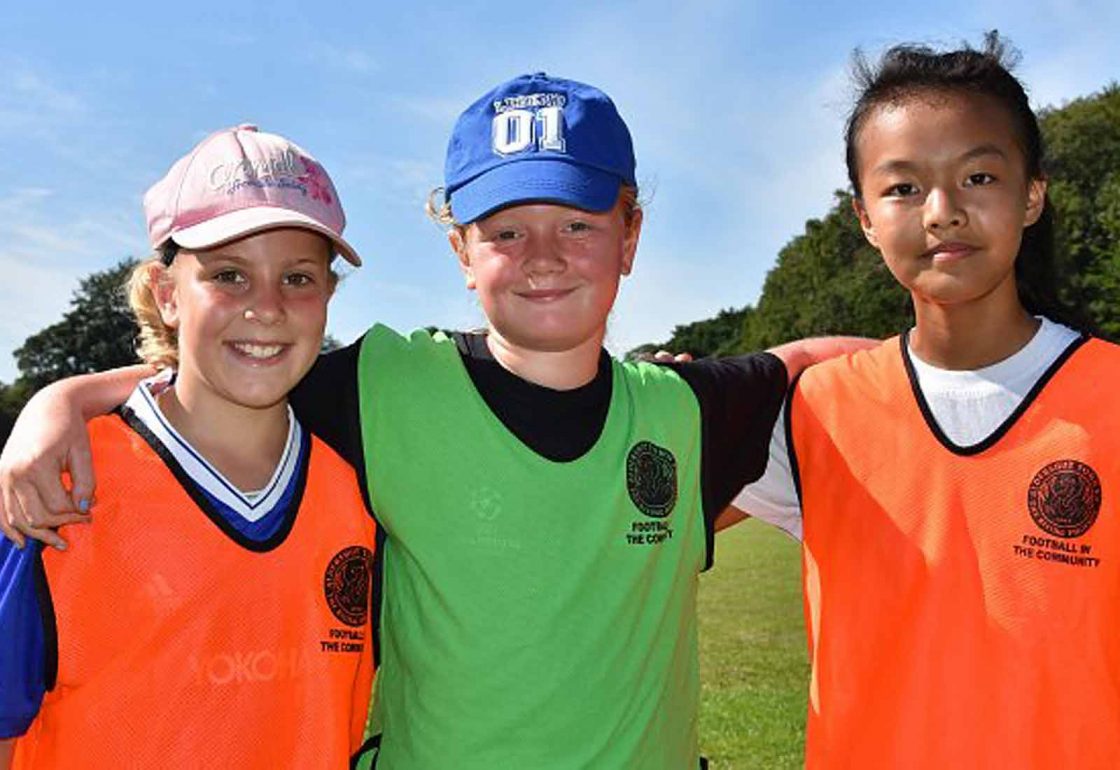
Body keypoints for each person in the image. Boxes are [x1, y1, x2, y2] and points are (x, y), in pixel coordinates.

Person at [0, 75, 870, 768]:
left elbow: (824, 363)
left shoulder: (688, 408)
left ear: (631, 236)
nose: (543, 258)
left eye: (577, 224)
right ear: (460, 249)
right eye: (504, 231)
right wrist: (65, 398)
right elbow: (220, 374)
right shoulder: (381, 386)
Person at [729, 33, 1120, 768]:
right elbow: (638, 527)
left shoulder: (1111, 396)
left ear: (1032, 194)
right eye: (903, 187)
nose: (941, 211)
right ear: (865, 219)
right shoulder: (814, 410)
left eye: (978, 176)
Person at [0, 125, 378, 768]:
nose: (266, 307)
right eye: (229, 275)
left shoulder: (361, 485)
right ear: (168, 294)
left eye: (297, 278)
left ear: (329, 297)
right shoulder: (62, 478)